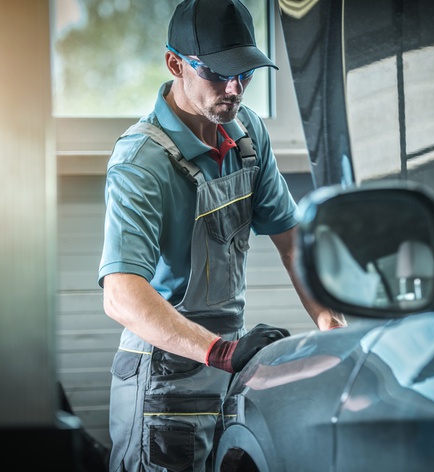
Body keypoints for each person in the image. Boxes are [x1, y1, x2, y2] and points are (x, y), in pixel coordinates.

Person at [97, 1, 346, 470]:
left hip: (226, 372)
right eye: (218, 72)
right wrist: (223, 352)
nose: (235, 89)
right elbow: (120, 296)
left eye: (246, 73)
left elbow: (292, 239)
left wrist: (330, 326)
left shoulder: (247, 133)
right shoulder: (141, 163)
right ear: (175, 64)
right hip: (162, 382)